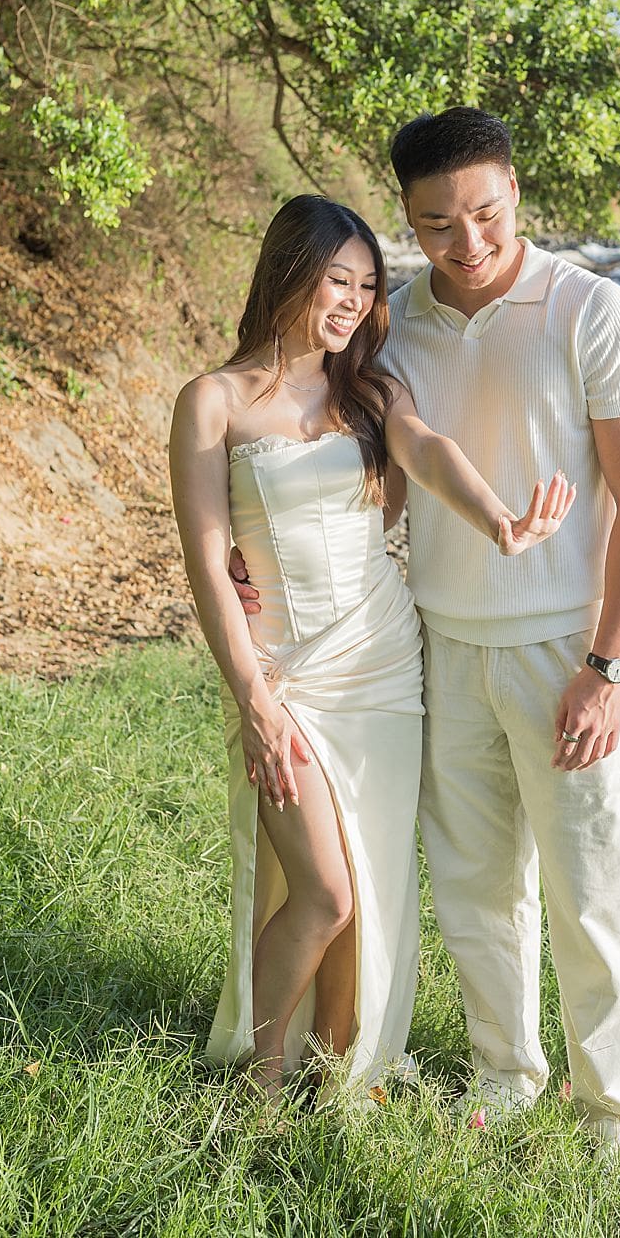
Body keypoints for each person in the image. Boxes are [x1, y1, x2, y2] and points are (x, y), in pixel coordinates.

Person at [233, 110, 620, 1166]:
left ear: (515, 191)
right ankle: (506, 1075)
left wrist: (607, 666)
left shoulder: (593, 311)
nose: (465, 240)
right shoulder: (394, 325)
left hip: (563, 648)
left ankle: (619, 1116)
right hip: (432, 641)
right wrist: (257, 555)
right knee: (475, 884)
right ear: (409, 220)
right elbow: (341, 440)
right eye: (436, 222)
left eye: (483, 212)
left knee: (592, 881)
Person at [168, 194, 575, 1105]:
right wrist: (254, 700)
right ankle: (260, 1091)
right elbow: (205, 567)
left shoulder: (371, 390)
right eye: (335, 281)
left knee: (373, 880)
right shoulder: (213, 401)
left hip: (382, 661)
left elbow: (426, 452)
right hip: (287, 672)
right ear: (286, 272)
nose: (352, 301)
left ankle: (339, 1073)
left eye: (365, 285)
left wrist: (502, 523)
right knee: (323, 889)